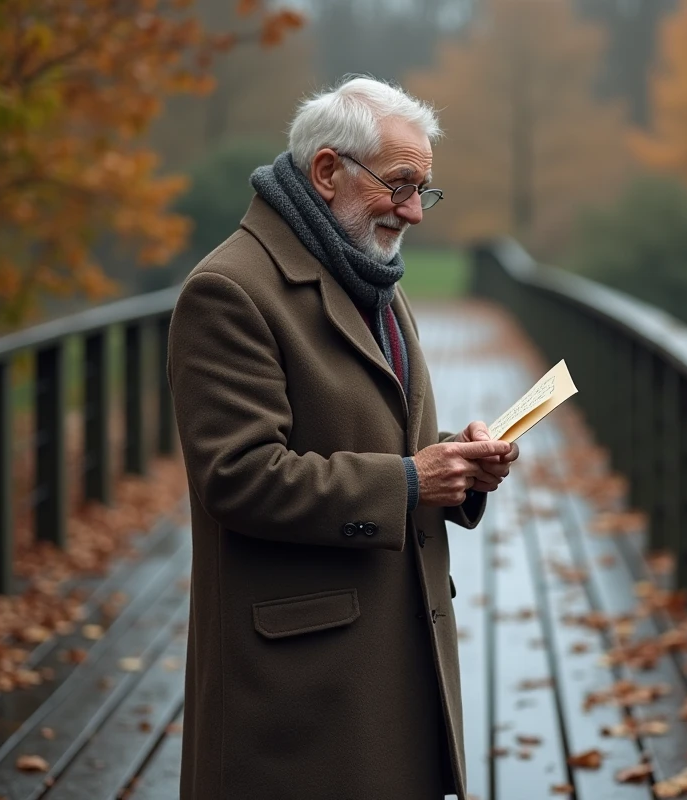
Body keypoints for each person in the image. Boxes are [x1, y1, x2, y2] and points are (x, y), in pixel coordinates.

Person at [167, 76, 518, 800]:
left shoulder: (371, 277)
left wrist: (457, 459)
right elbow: (239, 476)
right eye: (400, 184)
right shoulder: (230, 289)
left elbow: (376, 434)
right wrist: (413, 480)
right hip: (302, 691)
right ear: (327, 172)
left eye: (426, 189)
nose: (415, 211)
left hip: (388, 659)